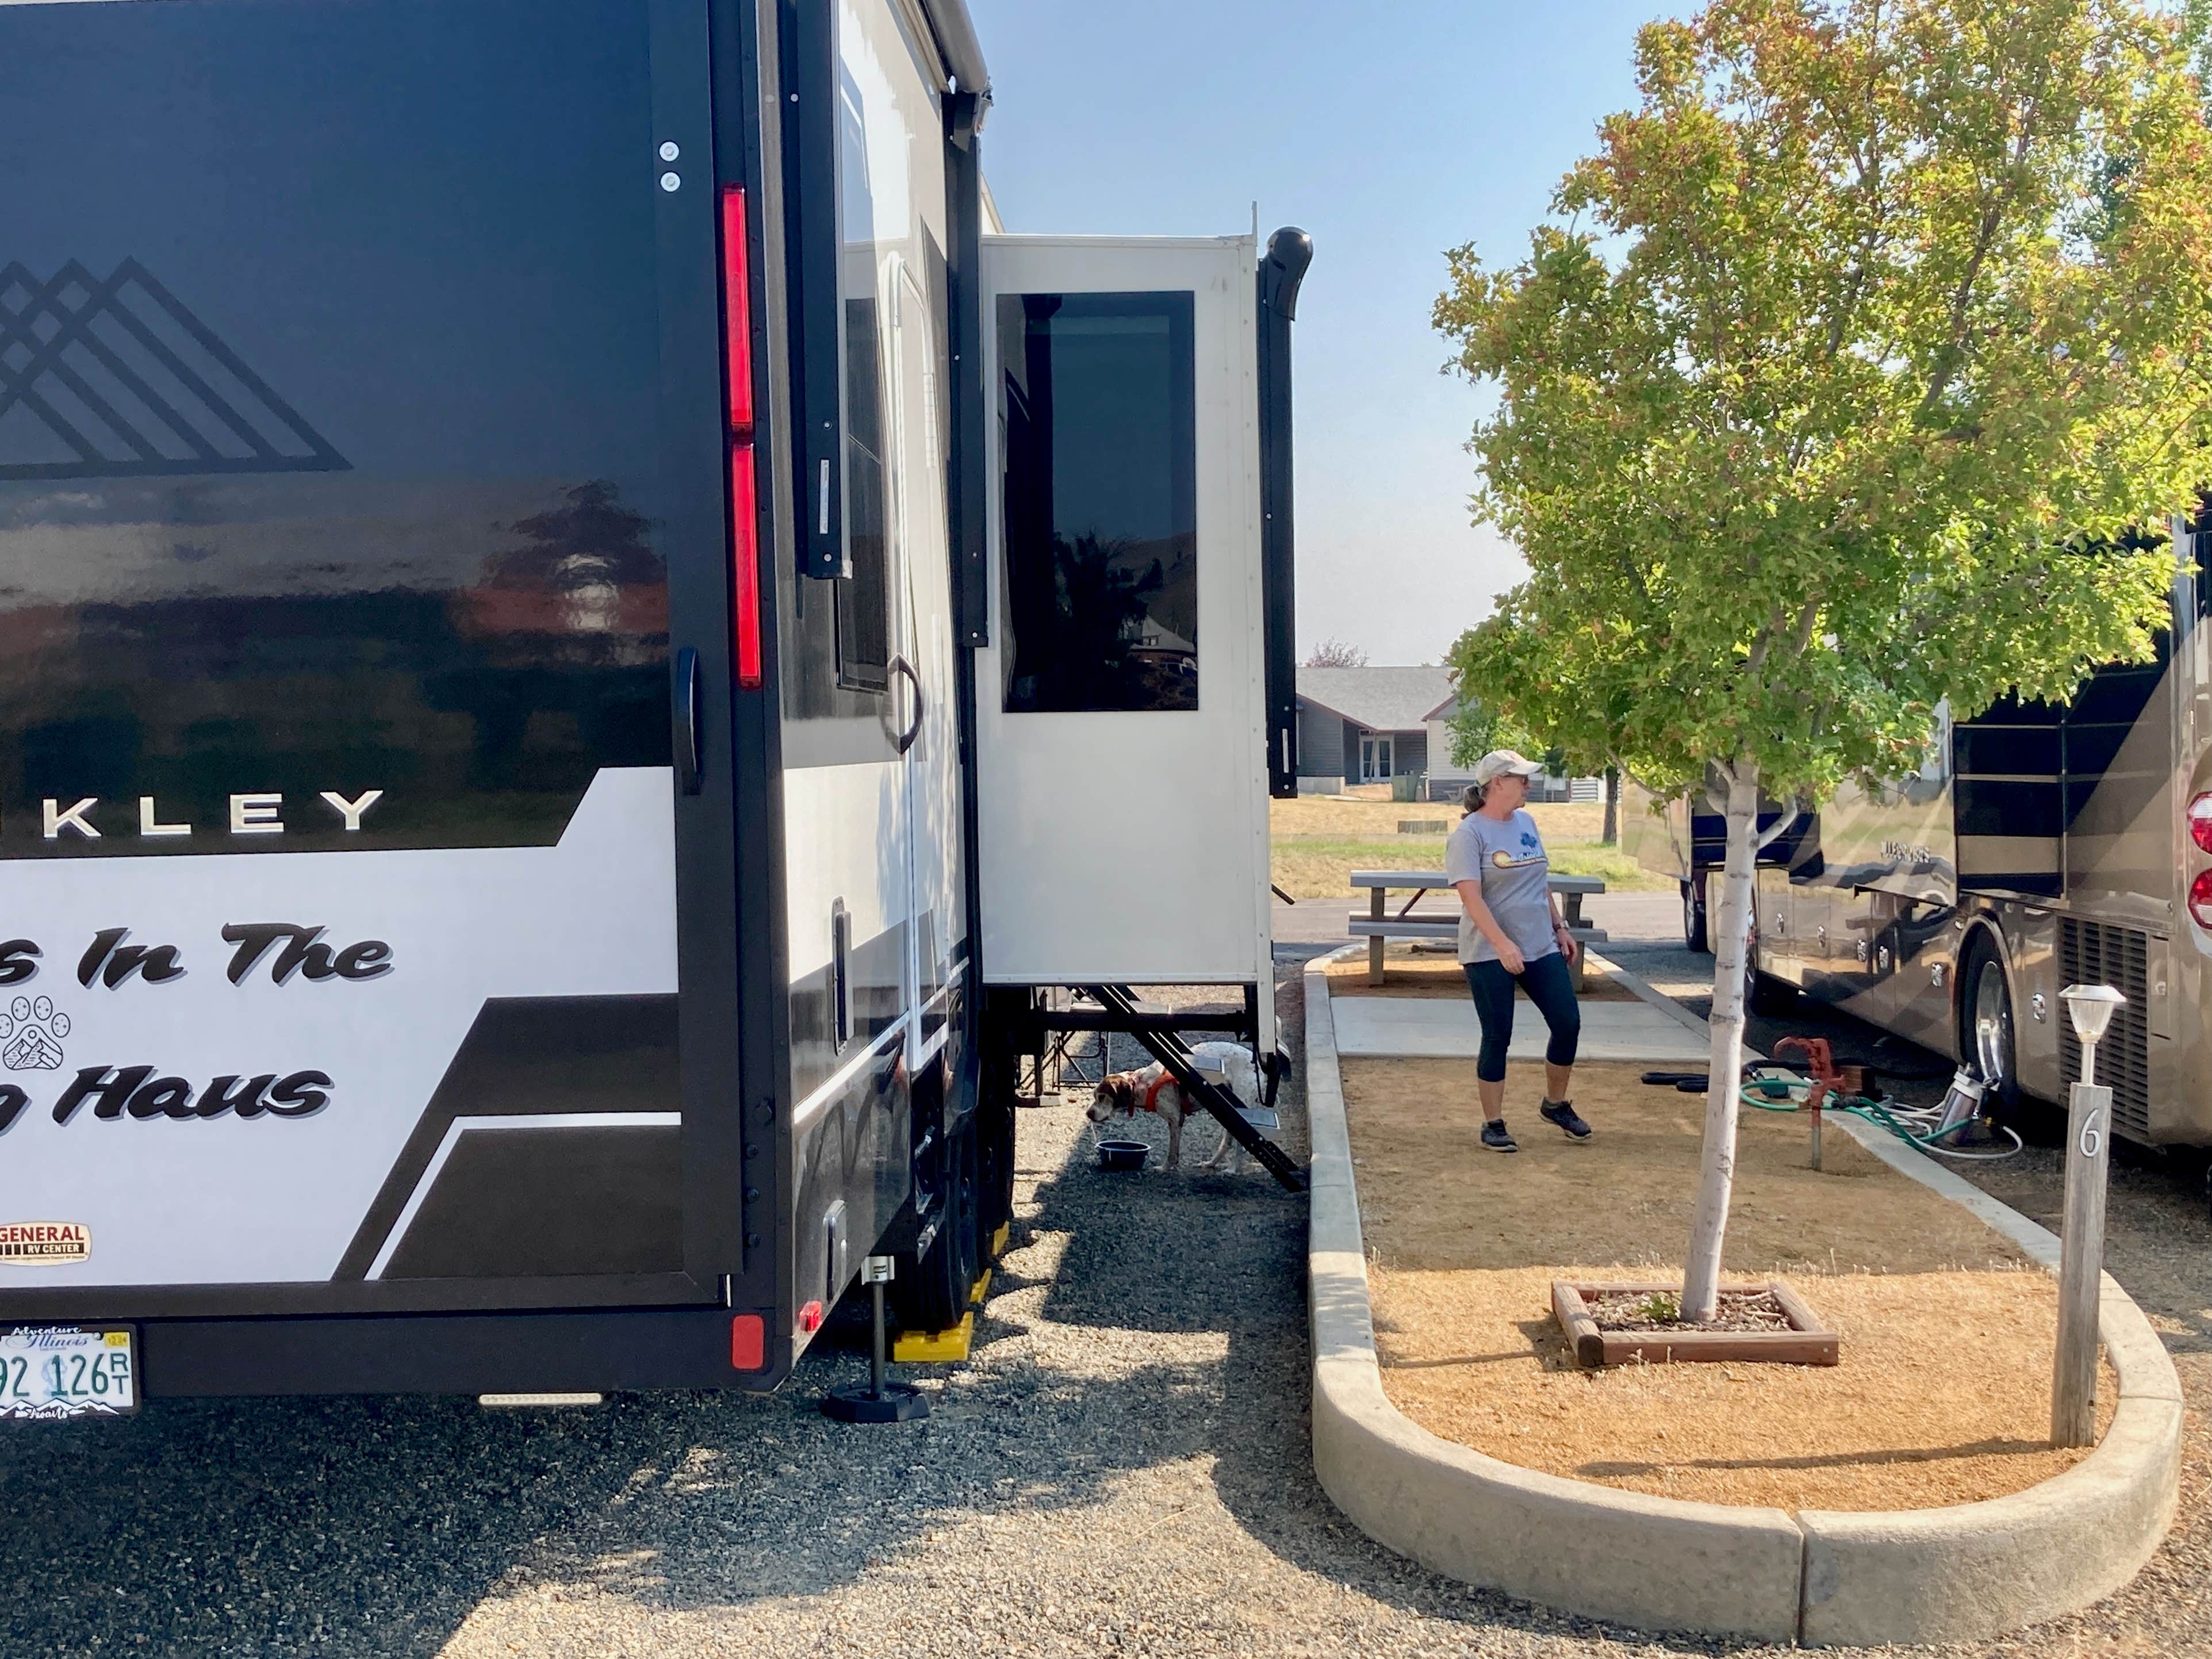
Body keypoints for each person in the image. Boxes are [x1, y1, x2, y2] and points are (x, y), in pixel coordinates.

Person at [1444, 750, 1590, 1152]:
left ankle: (1555, 1104)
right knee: (1497, 1035)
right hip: (1488, 951)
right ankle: (1493, 1123)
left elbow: (1537, 880)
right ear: (1496, 784)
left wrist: (1559, 926)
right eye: (1521, 777)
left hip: (1539, 943)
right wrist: (1501, 943)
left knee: (1567, 1022)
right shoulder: (1469, 834)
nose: (1528, 784)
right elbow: (1471, 897)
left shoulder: (1526, 822)